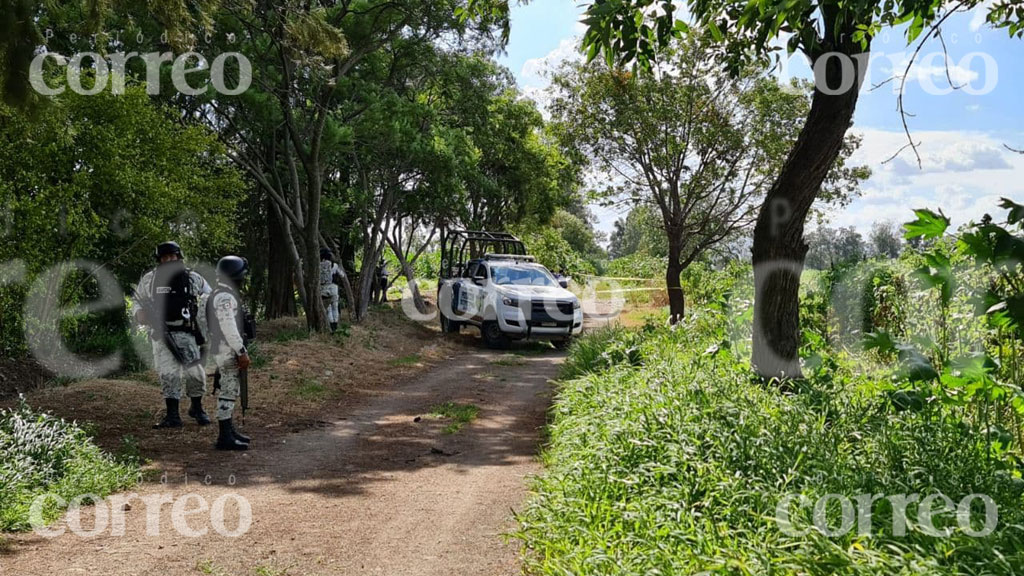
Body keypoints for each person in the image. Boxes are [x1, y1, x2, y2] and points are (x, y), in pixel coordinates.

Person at [132, 241, 212, 429]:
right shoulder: (150, 280)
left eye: (172, 257)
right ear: (159, 259)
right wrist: (139, 314)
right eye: (164, 257)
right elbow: (138, 301)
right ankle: (172, 415)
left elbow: (209, 296)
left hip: (187, 332)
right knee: (169, 374)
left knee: (196, 374)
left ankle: (197, 407)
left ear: (178, 257)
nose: (168, 260)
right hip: (161, 334)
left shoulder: (192, 277)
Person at [208, 256, 253, 451]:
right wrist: (241, 351)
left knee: (230, 389)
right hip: (227, 349)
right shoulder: (225, 297)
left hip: (223, 348)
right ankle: (224, 436)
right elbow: (229, 328)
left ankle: (229, 430)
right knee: (228, 391)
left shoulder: (219, 293)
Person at [319, 248, 344, 334]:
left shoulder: (318, 266)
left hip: (323, 289)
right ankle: (335, 326)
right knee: (335, 307)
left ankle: (330, 327)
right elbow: (342, 275)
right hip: (333, 288)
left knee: (328, 309)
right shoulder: (334, 265)